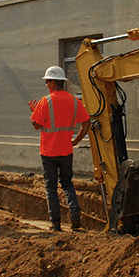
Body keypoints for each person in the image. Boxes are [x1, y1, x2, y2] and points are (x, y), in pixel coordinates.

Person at [28, 66, 91, 231]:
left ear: (53, 82)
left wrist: (33, 113)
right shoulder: (74, 101)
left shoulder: (45, 101)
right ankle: (75, 214)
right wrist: (76, 140)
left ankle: (56, 223)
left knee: (51, 187)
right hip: (66, 151)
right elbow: (87, 122)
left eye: (47, 81)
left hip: (49, 152)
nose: (46, 84)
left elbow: (36, 125)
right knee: (67, 183)